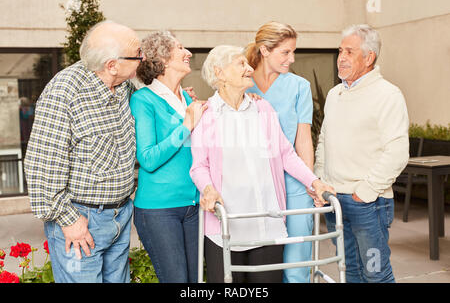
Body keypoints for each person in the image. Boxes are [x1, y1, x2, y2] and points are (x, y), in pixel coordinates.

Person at [190, 45, 335, 283]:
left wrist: (314, 182)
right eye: (241, 64)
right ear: (220, 73)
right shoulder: (206, 115)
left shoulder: (263, 109)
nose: (249, 68)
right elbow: (199, 166)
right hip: (226, 227)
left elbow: (286, 155)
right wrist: (208, 189)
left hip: (267, 224)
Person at [24, 20, 143, 283]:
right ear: (112, 65)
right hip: (81, 219)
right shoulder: (65, 91)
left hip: (119, 214)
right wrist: (69, 220)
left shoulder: (123, 86)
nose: (142, 59)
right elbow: (41, 166)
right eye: (137, 55)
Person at [314, 24, 409, 283]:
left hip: (368, 204)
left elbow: (397, 151)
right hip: (335, 201)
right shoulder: (335, 94)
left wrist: (365, 192)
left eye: (349, 52)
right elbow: (324, 141)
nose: (341, 57)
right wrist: (320, 180)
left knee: (375, 273)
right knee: (350, 272)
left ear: (369, 57)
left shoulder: (388, 95)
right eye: (340, 51)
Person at [129, 31, 207, 283]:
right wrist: (186, 125)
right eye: (181, 48)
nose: (189, 53)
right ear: (162, 57)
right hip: (158, 210)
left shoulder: (186, 98)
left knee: (195, 283)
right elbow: (148, 158)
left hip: (194, 206)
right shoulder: (143, 100)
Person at [245, 21, 315, 283]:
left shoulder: (300, 86)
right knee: (264, 262)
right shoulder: (243, 84)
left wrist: (310, 182)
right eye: (285, 52)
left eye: (293, 52)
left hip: (294, 182)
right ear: (264, 50)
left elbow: (303, 139)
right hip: (256, 185)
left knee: (296, 262)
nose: (291, 59)